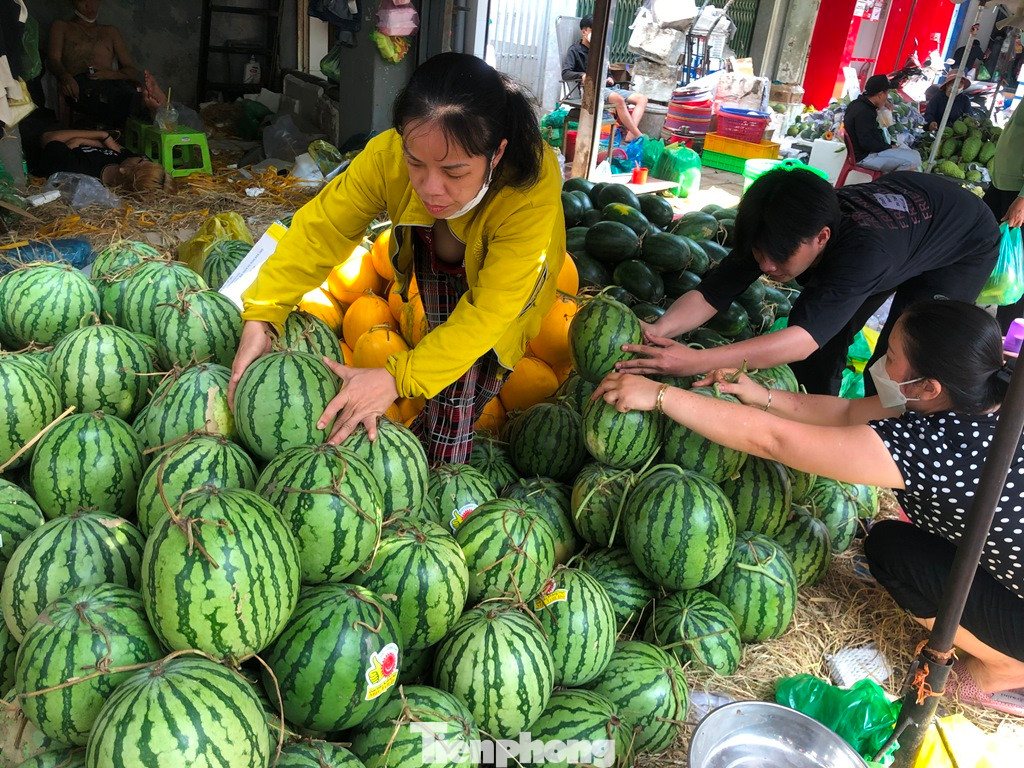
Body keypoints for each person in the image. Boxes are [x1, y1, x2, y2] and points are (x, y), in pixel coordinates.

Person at [595, 299, 1024, 714]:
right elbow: (849, 413)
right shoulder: (987, 393)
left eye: (890, 356)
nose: (880, 363)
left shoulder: (937, 447)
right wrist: (759, 394)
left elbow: (774, 441)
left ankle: (1005, 667)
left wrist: (661, 397)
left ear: (929, 387)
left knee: (891, 556)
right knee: (894, 538)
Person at [229, 53, 565, 463]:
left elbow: (488, 314)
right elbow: (323, 229)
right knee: (442, 374)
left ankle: (438, 481)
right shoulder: (386, 156)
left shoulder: (530, 190)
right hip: (436, 248)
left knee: (468, 382)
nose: (431, 188)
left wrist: (394, 378)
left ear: (496, 155)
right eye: (415, 162)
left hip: (505, 290)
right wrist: (264, 309)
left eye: (454, 172)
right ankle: (426, 455)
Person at [616, 169, 1000, 396]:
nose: (765, 266)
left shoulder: (862, 254)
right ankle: (808, 412)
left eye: (778, 258)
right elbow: (714, 291)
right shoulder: (778, 226)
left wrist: (695, 361)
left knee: (904, 358)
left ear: (822, 237)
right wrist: (658, 330)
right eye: (758, 254)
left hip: (962, 242)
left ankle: (882, 443)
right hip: (906, 231)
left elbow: (801, 341)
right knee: (827, 338)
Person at [46, 0, 156, 128]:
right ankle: (144, 113)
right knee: (108, 98)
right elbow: (53, 60)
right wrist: (65, 76)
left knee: (129, 94)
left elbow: (131, 70)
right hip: (81, 84)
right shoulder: (62, 27)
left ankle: (148, 110)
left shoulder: (111, 32)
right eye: (83, 1)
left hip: (113, 84)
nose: (90, 5)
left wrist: (111, 74)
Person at [562, 15, 648, 142]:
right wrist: (582, 76)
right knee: (618, 100)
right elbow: (565, 73)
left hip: (607, 87)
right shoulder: (575, 51)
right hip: (590, 90)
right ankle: (639, 136)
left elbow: (607, 71)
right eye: (593, 31)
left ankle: (630, 135)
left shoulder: (602, 51)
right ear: (584, 31)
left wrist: (610, 77)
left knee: (642, 99)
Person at [983, 100, 1024, 333]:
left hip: (1017, 191)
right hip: (1003, 183)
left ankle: (1006, 333)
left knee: (1017, 261)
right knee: (982, 243)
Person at [34, 127, 174, 192]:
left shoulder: (78, 169)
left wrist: (101, 134)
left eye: (141, 160)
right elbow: (116, 149)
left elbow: (47, 138)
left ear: (124, 170)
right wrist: (98, 140)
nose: (140, 156)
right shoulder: (121, 162)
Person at [843, 74, 921, 172]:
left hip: (866, 152)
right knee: (913, 159)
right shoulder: (865, 112)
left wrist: (884, 106)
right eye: (886, 93)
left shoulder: (858, 104)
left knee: (913, 154)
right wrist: (888, 147)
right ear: (880, 94)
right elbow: (867, 143)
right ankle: (890, 184)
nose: (887, 97)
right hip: (865, 157)